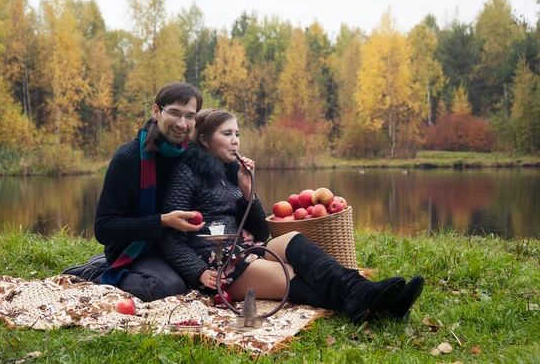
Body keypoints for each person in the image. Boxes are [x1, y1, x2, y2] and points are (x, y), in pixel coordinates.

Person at [160, 109, 424, 323]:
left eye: (237, 134)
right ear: (205, 140)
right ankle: (379, 306)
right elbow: (171, 238)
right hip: (214, 264)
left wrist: (247, 189)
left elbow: (259, 232)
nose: (235, 140)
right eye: (227, 133)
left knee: (293, 239)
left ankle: (366, 294)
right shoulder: (186, 173)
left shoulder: (230, 173)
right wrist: (199, 272)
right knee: (289, 273)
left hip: (241, 248)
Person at [63, 82, 207, 301]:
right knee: (167, 287)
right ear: (157, 111)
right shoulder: (128, 158)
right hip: (136, 248)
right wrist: (162, 221)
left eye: (190, 116)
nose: (182, 124)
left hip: (180, 246)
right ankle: (98, 272)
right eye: (175, 113)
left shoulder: (194, 156)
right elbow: (104, 229)